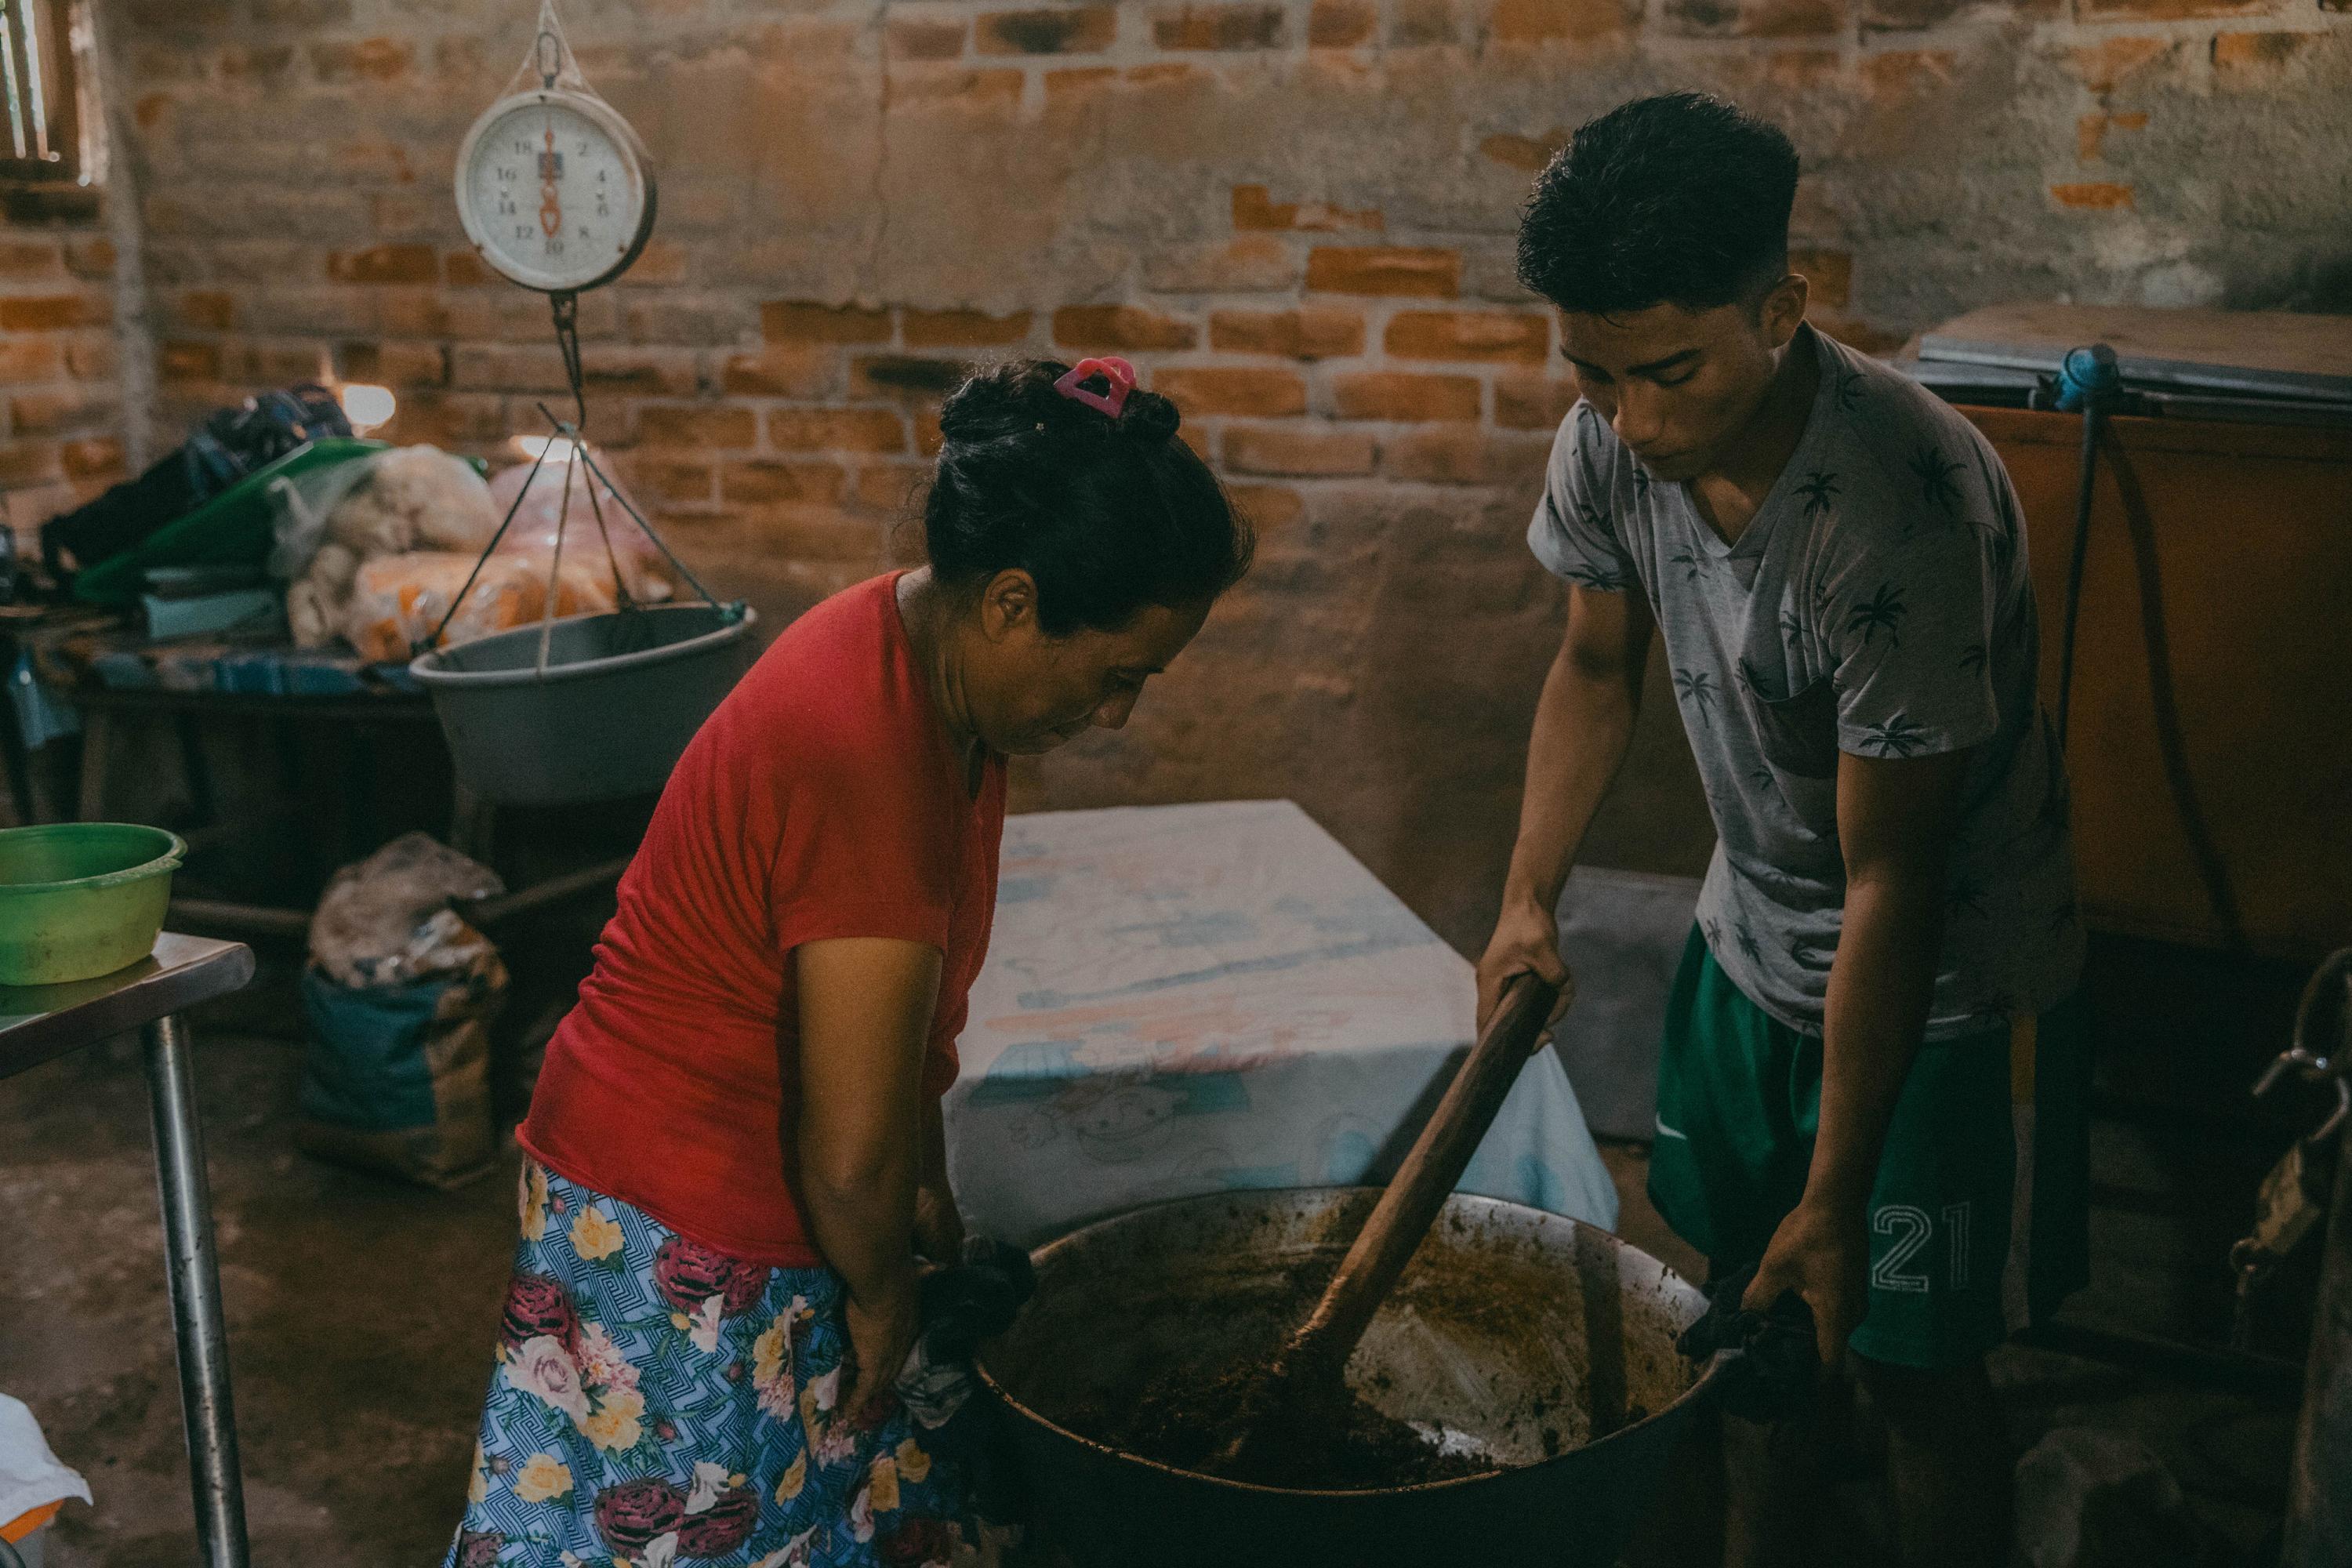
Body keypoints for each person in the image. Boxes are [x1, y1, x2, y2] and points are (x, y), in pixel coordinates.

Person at [442, 356, 1252, 1568]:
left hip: (743, 1192)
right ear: (1015, 605)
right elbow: (851, 1144)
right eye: (1117, 675)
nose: (1119, 714)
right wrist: (884, 1296)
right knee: (679, 1533)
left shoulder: (929, 664)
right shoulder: (863, 750)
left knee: (811, 1512)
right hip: (675, 1220)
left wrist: (923, 1214)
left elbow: (897, 1049)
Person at [1476, 94, 2087, 1567]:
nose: (1633, 418)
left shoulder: (1904, 509)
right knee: (1746, 1318)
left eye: (1672, 369)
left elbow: (1897, 878)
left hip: (1935, 981)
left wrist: (1839, 1189)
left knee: (1908, 1361)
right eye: (1596, 373)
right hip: (1748, 932)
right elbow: (1594, 667)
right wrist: (1524, 901)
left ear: (1781, 308)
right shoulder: (1612, 434)